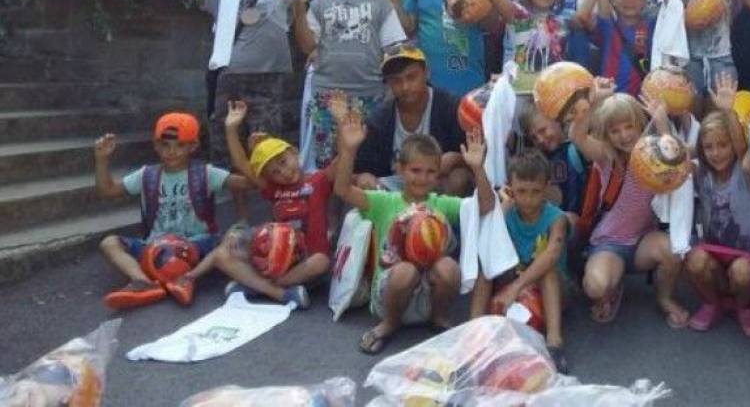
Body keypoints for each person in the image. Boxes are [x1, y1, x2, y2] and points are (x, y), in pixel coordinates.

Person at [331, 97, 495, 355]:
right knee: (405, 271)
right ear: (400, 169)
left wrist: (477, 169)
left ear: (439, 173)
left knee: (449, 267)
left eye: (431, 172)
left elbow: (486, 206)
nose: (423, 178)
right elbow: (342, 190)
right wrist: (349, 151)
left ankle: (439, 318)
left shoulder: (441, 203)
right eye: (415, 171)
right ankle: (389, 324)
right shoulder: (384, 201)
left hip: (428, 296)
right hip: (391, 293)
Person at [181, 101, 332, 308]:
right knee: (224, 251)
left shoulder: (317, 181)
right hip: (271, 256)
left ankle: (254, 286)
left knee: (321, 261)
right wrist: (231, 128)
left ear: (295, 152)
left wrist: (343, 126)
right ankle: (280, 294)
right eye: (275, 172)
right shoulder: (273, 187)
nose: (284, 172)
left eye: (283, 162)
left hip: (304, 264)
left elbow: (343, 165)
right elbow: (242, 164)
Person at [93, 113, 250, 310]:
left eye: (180, 145)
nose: (172, 152)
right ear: (156, 146)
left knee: (234, 238)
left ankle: (187, 277)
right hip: (155, 245)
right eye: (165, 145)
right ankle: (142, 282)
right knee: (109, 243)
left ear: (193, 146)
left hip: (198, 244)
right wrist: (102, 159)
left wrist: (232, 133)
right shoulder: (146, 175)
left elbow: (247, 183)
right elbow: (107, 190)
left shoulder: (205, 173)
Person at [175, 0, 294, 167]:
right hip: (230, 80)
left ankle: (267, 192)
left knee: (268, 146)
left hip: (268, 79)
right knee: (224, 145)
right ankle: (229, 191)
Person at [570, 84, 689, 329]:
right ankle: (612, 286)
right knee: (595, 287)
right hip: (609, 243)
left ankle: (664, 298)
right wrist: (593, 104)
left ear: (639, 124)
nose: (624, 135)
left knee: (675, 250)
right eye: (614, 130)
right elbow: (577, 136)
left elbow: (679, 162)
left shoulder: (654, 151)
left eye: (628, 127)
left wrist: (662, 124)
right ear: (606, 133)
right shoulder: (606, 155)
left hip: (643, 242)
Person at [293, 0, 408, 170]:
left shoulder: (380, 1)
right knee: (327, 164)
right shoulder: (322, 0)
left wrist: (391, 89)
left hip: (370, 94)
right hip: (327, 93)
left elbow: (393, 49)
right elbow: (307, 46)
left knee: (365, 161)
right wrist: (298, 9)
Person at [469, 152, 572, 373]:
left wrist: (516, 287)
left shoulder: (557, 218)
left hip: (551, 288)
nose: (528, 199)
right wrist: (504, 208)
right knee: (487, 264)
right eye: (521, 191)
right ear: (510, 188)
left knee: (547, 270)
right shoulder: (508, 213)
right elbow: (487, 242)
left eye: (535, 192)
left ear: (546, 188)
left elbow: (552, 254)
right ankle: (473, 332)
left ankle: (554, 341)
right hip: (514, 279)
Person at [682, 75, 750, 337]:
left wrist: (728, 111)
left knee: (742, 272)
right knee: (694, 259)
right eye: (709, 147)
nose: (716, 152)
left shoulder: (746, 172)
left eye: (723, 145)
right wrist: (671, 113)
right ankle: (711, 303)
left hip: (747, 259)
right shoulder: (701, 173)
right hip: (715, 255)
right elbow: (676, 155)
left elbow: (741, 148)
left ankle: (745, 308)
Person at [354, 46, 469, 195]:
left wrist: (455, 159)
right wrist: (364, 178)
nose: (405, 87)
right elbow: (358, 170)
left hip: (438, 185)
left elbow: (479, 156)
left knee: (459, 177)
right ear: (388, 84)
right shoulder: (378, 120)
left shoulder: (451, 107)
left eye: (411, 77)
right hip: (394, 190)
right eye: (396, 81)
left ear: (426, 73)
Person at [575, 0, 670, 97]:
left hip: (639, 102)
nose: (629, 0)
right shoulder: (608, 26)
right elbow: (582, 16)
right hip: (608, 100)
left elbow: (674, 10)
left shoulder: (652, 25)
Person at [487, 0, 577, 93]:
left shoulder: (562, 21)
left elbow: (586, 17)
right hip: (517, 94)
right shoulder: (518, 16)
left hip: (550, 94)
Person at [518, 103, 587, 219]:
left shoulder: (579, 148)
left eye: (543, 130)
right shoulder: (539, 160)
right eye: (534, 138)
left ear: (557, 120)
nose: (540, 139)